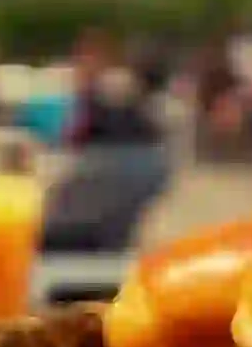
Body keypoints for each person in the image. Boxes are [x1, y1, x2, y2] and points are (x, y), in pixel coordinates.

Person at [43, 28, 170, 251]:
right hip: (128, 163)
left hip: (123, 163)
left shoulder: (113, 83)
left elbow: (90, 129)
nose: (82, 63)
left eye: (87, 56)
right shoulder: (96, 86)